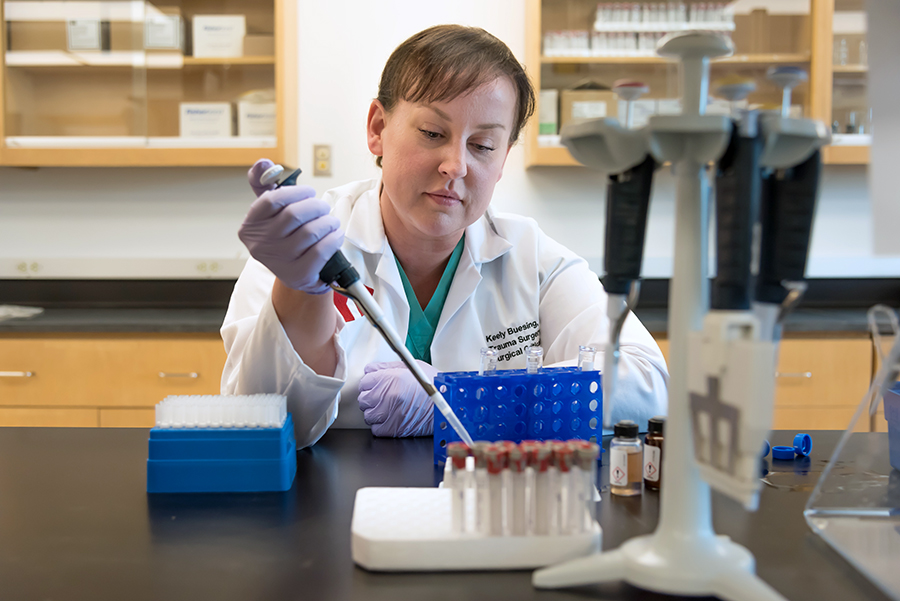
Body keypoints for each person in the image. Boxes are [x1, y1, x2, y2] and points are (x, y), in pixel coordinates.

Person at [221, 24, 668, 449]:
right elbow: (254, 421)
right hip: (326, 517)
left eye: (483, 146)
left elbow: (646, 385)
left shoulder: (531, 260)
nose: (455, 165)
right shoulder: (303, 246)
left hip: (490, 508)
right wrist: (300, 295)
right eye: (433, 133)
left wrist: (469, 400)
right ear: (378, 128)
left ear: (503, 157)